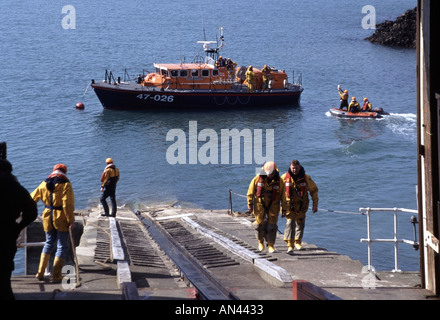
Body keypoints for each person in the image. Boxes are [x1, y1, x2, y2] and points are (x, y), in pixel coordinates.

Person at [0, 159, 37, 300]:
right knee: (4, 272)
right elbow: (32, 212)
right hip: (7, 233)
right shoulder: (16, 188)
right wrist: (18, 227)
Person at [31, 164, 75, 283]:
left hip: (47, 215)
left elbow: (32, 199)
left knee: (48, 243)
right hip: (61, 217)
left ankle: (40, 273)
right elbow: (67, 205)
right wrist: (71, 220)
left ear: (54, 171)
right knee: (62, 246)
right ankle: (56, 275)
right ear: (64, 172)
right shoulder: (66, 184)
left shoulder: (43, 184)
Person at [281, 160, 318, 252]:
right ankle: (290, 244)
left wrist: (315, 205)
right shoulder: (284, 178)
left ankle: (298, 242)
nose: (294, 170)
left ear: (300, 167)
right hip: (289, 205)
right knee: (290, 223)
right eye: (293, 168)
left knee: (300, 224)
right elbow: (278, 193)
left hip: (302, 205)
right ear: (290, 167)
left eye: (296, 168)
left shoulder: (306, 178)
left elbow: (313, 191)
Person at [247, 161, 284, 253]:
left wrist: (284, 209)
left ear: (274, 172)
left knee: (272, 226)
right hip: (260, 205)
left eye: (271, 173)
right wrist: (250, 204)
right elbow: (250, 193)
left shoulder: (279, 181)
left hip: (273, 205)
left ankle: (271, 245)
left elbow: (284, 196)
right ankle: (260, 241)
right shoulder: (257, 179)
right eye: (267, 173)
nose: (269, 175)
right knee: (259, 224)